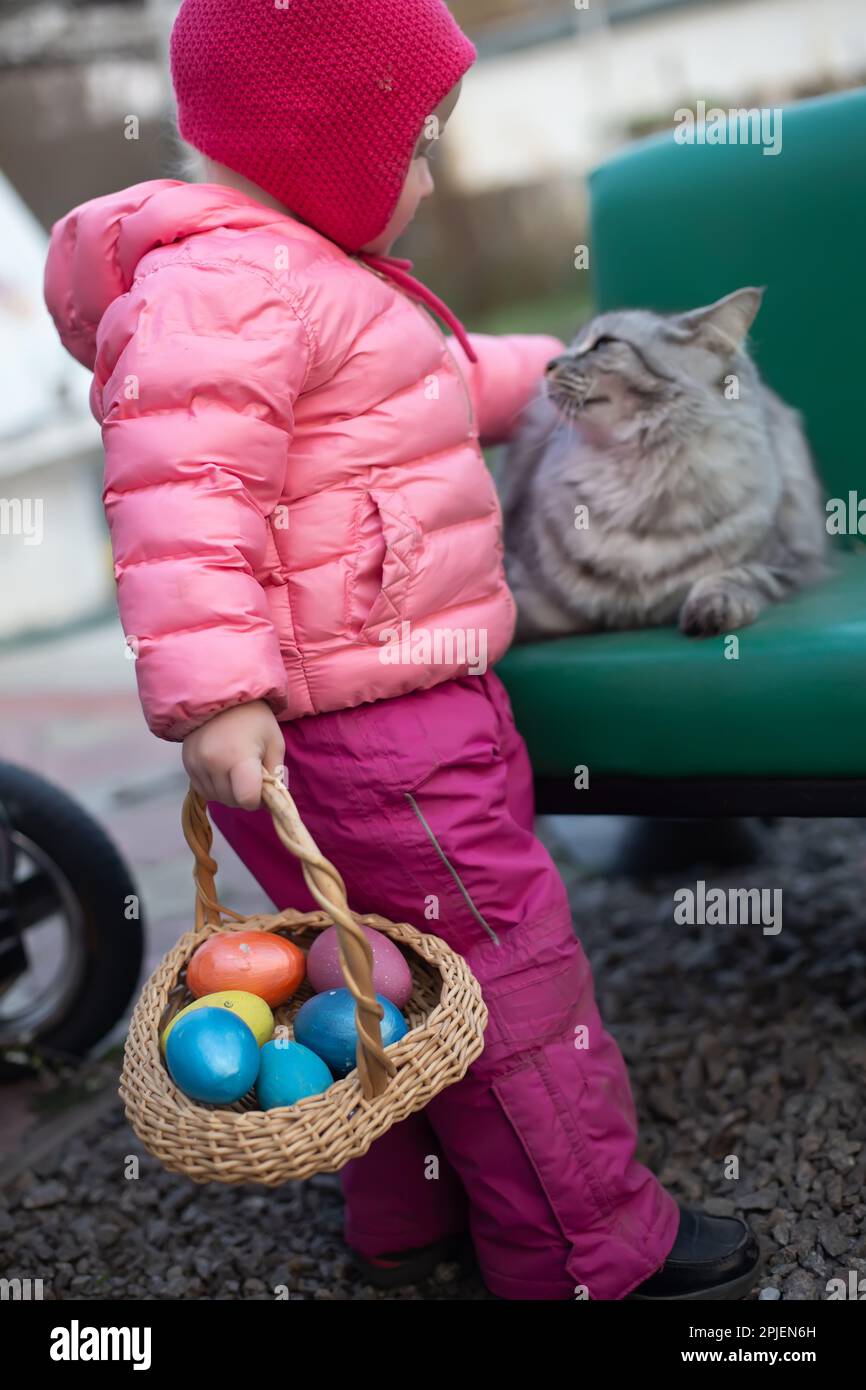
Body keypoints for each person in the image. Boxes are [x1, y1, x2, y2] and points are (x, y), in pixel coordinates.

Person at [45, 0, 760, 1301]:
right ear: (327, 144)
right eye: (419, 143)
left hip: (366, 720)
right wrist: (217, 696)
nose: (429, 177)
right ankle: (581, 1248)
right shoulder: (235, 285)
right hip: (365, 733)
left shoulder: (291, 271)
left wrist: (570, 375)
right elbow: (182, 498)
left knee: (373, 972)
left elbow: (421, 383)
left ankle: (405, 1222)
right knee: (506, 972)